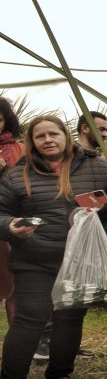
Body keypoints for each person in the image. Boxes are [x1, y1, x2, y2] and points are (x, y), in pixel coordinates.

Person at [0, 115, 107, 379]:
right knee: (30, 319)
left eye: (53, 134)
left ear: (66, 135)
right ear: (32, 142)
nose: (48, 140)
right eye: (40, 136)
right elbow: (0, 214)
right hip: (33, 259)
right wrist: (10, 226)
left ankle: (59, 378)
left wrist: (105, 207)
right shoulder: (16, 175)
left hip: (80, 260)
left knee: (69, 320)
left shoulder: (98, 166)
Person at [0, 97, 23, 326]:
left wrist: (5, 169)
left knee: (13, 285)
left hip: (8, 224)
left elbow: (27, 186)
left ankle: (17, 344)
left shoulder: (20, 149)